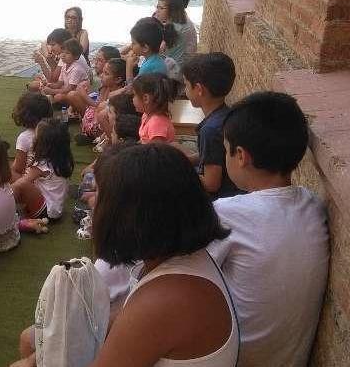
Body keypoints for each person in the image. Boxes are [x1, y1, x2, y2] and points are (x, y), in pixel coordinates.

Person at [86, 143, 238, 367]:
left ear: (130, 216)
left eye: (101, 193)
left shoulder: (164, 300)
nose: (94, 201)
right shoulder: (180, 259)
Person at [208, 91, 329, 367]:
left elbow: (180, 279)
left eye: (226, 149)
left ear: (241, 156)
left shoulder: (226, 214)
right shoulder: (311, 205)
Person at [181, 53, 243, 200]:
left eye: (186, 84)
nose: (185, 90)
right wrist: (189, 159)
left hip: (219, 201)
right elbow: (215, 155)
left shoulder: (209, 130)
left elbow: (211, 183)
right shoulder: (226, 114)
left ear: (199, 89)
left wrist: (181, 171)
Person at [12, 118, 74, 223]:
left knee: (21, 184)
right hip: (54, 208)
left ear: (42, 144)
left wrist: (6, 193)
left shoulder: (43, 164)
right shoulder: (62, 160)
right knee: (17, 178)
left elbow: (21, 183)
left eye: (35, 136)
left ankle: (0, 204)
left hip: (46, 212)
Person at [11, 91, 54, 180]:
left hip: (32, 185)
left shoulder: (24, 137)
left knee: (5, 173)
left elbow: (18, 170)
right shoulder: (55, 131)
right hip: (53, 185)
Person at [40, 39, 91, 104]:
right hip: (69, 90)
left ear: (76, 56)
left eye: (67, 53)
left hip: (77, 94)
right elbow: (59, 83)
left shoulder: (76, 69)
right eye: (62, 52)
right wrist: (50, 85)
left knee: (58, 97)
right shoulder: (64, 65)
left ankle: (66, 105)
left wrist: (52, 91)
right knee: (46, 89)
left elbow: (69, 89)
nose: (63, 55)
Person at [132, 73, 177, 144]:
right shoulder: (146, 115)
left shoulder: (157, 124)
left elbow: (156, 152)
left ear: (146, 98)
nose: (133, 99)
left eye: (134, 95)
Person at [155, 0, 198, 65]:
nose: (157, 11)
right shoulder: (182, 21)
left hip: (173, 68)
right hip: (178, 64)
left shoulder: (176, 29)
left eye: (161, 8)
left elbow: (158, 52)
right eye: (157, 7)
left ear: (172, 10)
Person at [125, 17, 168, 83]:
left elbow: (132, 89)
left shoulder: (148, 66)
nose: (131, 46)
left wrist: (129, 66)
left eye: (134, 43)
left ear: (145, 48)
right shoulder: (155, 59)